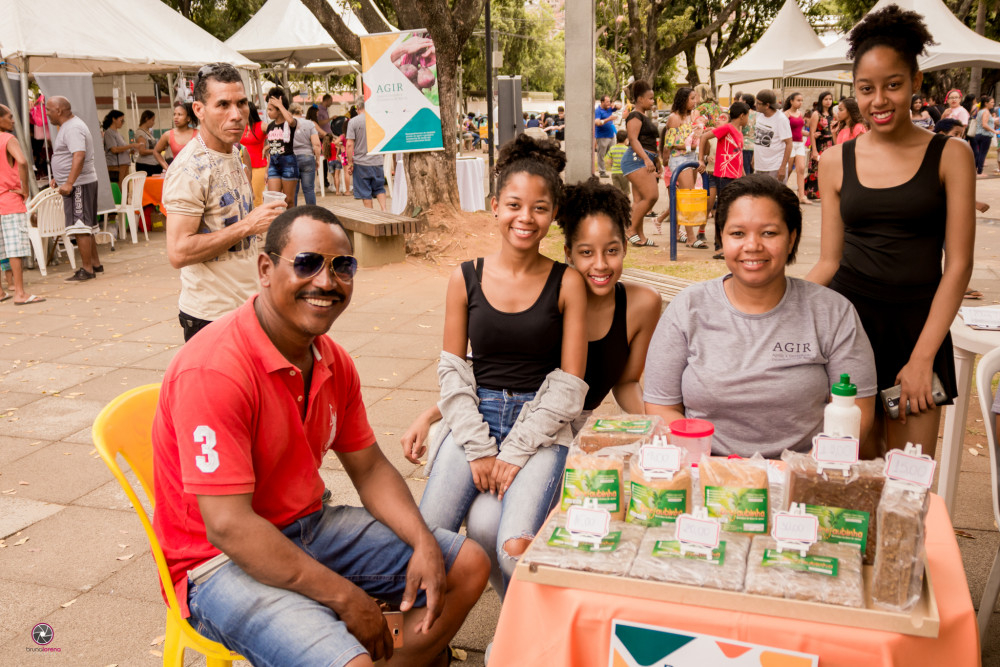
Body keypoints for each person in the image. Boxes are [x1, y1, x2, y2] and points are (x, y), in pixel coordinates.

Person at [153, 204, 490, 667]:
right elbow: (228, 525)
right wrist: (346, 599)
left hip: (307, 525)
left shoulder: (332, 359)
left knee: (467, 565)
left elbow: (369, 468)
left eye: (342, 267)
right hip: (216, 561)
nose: (326, 282)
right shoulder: (215, 368)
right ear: (266, 269)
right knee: (348, 659)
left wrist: (424, 542)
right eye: (307, 263)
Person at [403, 177, 660, 594]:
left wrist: (659, 429)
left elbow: (626, 381)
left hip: (562, 429)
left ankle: (519, 628)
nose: (600, 264)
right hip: (524, 421)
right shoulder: (554, 295)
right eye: (586, 252)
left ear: (626, 247)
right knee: (473, 527)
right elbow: (495, 370)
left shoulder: (640, 304)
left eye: (612, 251)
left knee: (503, 530)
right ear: (568, 253)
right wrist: (431, 414)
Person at [415, 135, 588, 600]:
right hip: (475, 418)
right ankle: (422, 643)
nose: (525, 218)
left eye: (539, 208)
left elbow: (570, 388)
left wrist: (512, 453)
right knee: (424, 541)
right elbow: (453, 373)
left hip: (542, 428)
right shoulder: (464, 277)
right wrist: (478, 448)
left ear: (553, 215)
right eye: (514, 204)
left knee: (516, 552)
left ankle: (523, 641)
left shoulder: (567, 282)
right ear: (495, 206)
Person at [805, 6, 975, 457]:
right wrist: (773, 299)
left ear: (916, 83)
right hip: (849, 328)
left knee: (907, 479)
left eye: (893, 85)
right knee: (850, 478)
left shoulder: (951, 155)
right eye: (866, 89)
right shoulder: (834, 160)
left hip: (919, 330)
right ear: (854, 92)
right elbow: (829, 261)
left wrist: (921, 359)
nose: (879, 100)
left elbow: (958, 266)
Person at [644, 174, 877, 458]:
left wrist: (803, 476)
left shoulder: (833, 313)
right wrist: (708, 468)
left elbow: (858, 414)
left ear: (792, 238)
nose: (752, 246)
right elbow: (661, 407)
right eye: (738, 233)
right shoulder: (687, 309)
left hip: (804, 480)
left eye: (769, 233)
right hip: (708, 476)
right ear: (721, 238)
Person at [163, 63, 285, 342]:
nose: (236, 115)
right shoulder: (189, 169)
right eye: (223, 105)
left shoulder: (238, 153)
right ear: (199, 110)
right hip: (211, 319)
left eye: (241, 103)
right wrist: (247, 226)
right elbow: (178, 252)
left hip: (249, 306)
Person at [46, 96, 103, 282]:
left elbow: (79, 155)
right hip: (78, 182)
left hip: (78, 184)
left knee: (80, 227)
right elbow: (68, 155)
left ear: (59, 111)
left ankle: (87, 269)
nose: (47, 114)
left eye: (49, 110)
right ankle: (95, 263)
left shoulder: (73, 128)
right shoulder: (69, 126)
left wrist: (69, 182)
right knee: (85, 226)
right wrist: (59, 177)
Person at [0, 104, 43, 305]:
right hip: (9, 199)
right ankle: (20, 292)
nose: (13, 120)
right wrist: (25, 188)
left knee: (1, 248)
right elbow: (23, 162)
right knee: (15, 248)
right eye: (9, 116)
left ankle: (0, 292)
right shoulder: (8, 139)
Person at [698, 101, 750, 257]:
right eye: (747, 116)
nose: (748, 119)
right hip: (724, 175)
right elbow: (704, 137)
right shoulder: (727, 128)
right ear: (742, 116)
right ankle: (718, 246)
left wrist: (744, 176)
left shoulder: (738, 132)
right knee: (722, 211)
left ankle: (727, 244)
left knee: (732, 212)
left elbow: (737, 155)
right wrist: (701, 159)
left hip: (735, 176)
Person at [658, 87, 706, 246]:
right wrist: (665, 163)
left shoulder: (692, 116)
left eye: (695, 98)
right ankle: (691, 238)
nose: (695, 102)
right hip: (679, 159)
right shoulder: (674, 118)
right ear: (683, 99)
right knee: (688, 197)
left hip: (691, 157)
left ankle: (676, 233)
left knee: (684, 197)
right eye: (692, 98)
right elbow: (669, 144)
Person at [621, 80, 661, 247]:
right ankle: (629, 230)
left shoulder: (644, 116)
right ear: (639, 99)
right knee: (652, 196)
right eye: (650, 99)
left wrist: (656, 159)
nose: (653, 102)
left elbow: (651, 141)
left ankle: (640, 236)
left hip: (644, 158)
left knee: (639, 201)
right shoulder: (635, 116)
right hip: (636, 160)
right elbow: (633, 140)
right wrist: (646, 158)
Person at [345, 100, 386, 210]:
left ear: (358, 108)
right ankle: (384, 210)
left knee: (365, 192)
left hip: (361, 162)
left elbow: (349, 144)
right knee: (379, 188)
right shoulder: (377, 120)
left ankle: (371, 216)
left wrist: (349, 163)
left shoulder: (353, 122)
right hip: (377, 161)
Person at [263, 87, 299, 207]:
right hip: (273, 163)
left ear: (279, 110)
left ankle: (291, 225)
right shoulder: (270, 126)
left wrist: (281, 105)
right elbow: (273, 148)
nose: (268, 112)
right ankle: (275, 225)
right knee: (273, 201)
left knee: (289, 201)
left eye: (270, 109)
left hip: (288, 163)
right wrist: (267, 170)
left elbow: (291, 120)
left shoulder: (289, 124)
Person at [752, 90, 792, 183]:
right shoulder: (759, 115)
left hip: (775, 167)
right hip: (760, 166)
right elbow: (757, 138)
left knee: (775, 196)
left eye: (758, 103)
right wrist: (754, 158)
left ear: (767, 105)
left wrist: (782, 167)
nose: (755, 105)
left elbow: (789, 144)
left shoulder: (781, 119)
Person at [804, 91, 835, 200]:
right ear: (821, 101)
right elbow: (812, 133)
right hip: (820, 145)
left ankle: (827, 192)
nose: (828, 101)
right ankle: (813, 192)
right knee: (817, 170)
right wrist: (814, 151)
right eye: (826, 99)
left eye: (830, 99)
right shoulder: (816, 114)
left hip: (831, 145)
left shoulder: (833, 114)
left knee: (830, 170)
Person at [289, 103, 321, 206]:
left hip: (291, 158)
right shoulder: (309, 124)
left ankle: (292, 215)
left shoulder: (287, 124)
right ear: (301, 112)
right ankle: (312, 214)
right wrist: (317, 159)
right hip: (307, 157)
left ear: (290, 112)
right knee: (309, 189)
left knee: (293, 190)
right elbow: (316, 144)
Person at [102, 110, 141, 189]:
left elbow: (121, 149)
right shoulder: (109, 133)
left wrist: (130, 151)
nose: (123, 122)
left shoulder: (118, 134)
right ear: (114, 119)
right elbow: (114, 149)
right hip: (116, 166)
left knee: (125, 189)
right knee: (119, 189)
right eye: (121, 120)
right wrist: (131, 145)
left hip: (124, 165)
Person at [782, 92, 809, 203]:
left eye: (801, 100)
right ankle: (781, 191)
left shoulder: (800, 114)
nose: (800, 103)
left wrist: (810, 134)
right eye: (798, 100)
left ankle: (802, 196)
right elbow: (784, 131)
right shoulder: (786, 114)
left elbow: (799, 130)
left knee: (801, 168)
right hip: (790, 144)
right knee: (788, 170)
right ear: (791, 101)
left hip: (799, 144)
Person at [239, 103, 268, 207]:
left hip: (258, 166)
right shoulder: (240, 126)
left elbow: (277, 135)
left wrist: (268, 147)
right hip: (242, 167)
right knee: (243, 198)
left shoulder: (262, 125)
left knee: (256, 198)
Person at [134, 111, 168, 176]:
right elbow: (142, 151)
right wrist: (157, 150)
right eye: (152, 120)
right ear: (146, 119)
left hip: (153, 164)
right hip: (146, 165)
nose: (153, 123)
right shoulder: (140, 133)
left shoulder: (148, 132)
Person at [594, 95, 619, 178]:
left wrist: (614, 105)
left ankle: (615, 169)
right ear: (602, 102)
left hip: (611, 135)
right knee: (601, 154)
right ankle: (602, 171)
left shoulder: (609, 108)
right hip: (602, 136)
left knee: (613, 153)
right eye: (607, 101)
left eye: (609, 101)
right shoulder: (598, 111)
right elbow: (597, 123)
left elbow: (620, 106)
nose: (609, 103)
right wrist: (609, 119)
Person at [972, 96, 995, 176]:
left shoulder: (980, 111)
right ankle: (980, 171)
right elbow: (984, 124)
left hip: (978, 134)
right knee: (982, 154)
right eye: (991, 102)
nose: (993, 104)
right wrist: (994, 131)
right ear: (986, 103)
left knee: (978, 153)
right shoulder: (986, 111)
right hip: (985, 135)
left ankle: (975, 170)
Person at [607, 129, 630, 198]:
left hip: (614, 172)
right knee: (625, 191)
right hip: (624, 173)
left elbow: (609, 161)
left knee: (617, 191)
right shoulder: (627, 149)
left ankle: (618, 205)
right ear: (626, 139)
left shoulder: (612, 148)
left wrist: (613, 165)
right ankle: (626, 204)